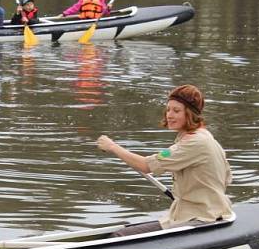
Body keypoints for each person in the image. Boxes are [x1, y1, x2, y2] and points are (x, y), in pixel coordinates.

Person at [96, 84, 232, 237]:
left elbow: (146, 165)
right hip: (204, 213)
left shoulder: (194, 143)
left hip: (201, 219)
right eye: (168, 110)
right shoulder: (203, 136)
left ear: (190, 114)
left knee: (119, 236)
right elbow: (226, 178)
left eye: (176, 111)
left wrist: (113, 146)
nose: (170, 115)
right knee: (127, 229)